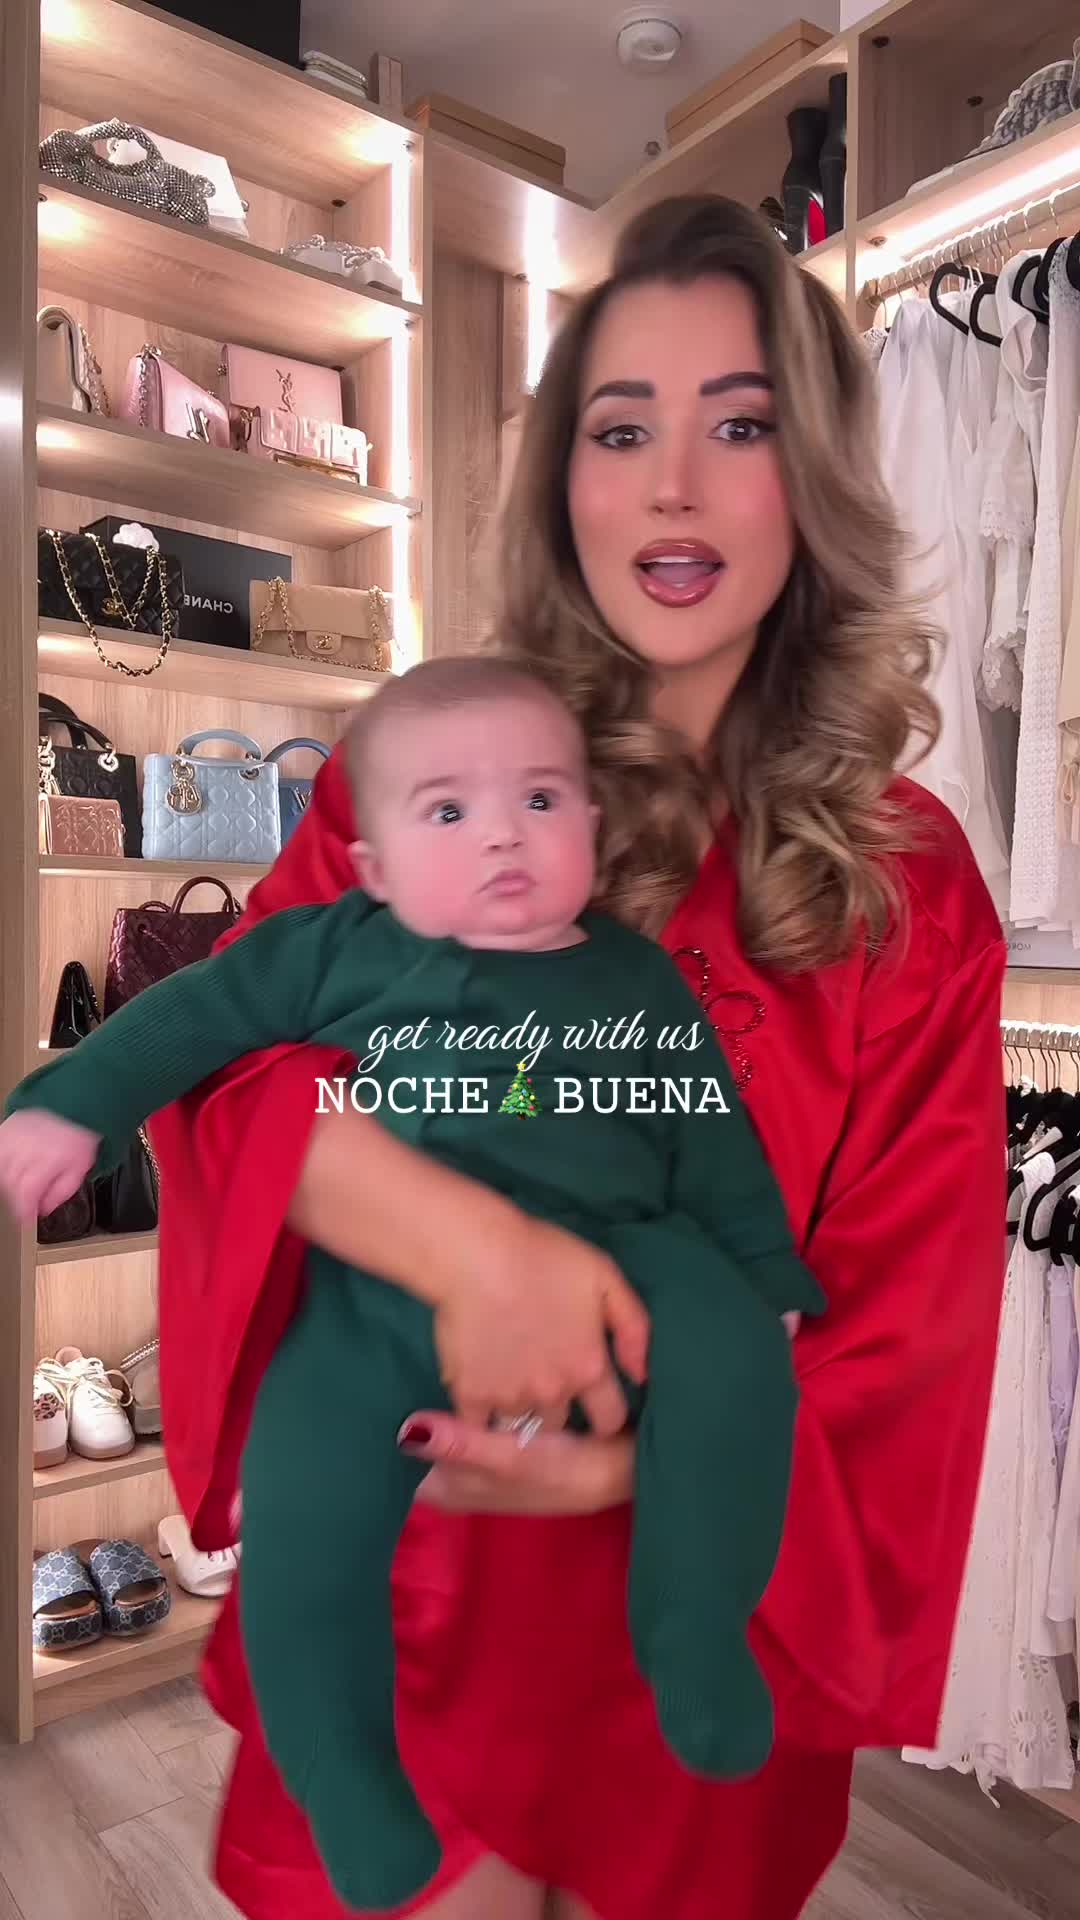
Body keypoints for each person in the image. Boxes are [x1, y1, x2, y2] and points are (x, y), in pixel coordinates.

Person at [90, 194, 1010, 1919]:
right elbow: (225, 1063)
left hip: (713, 1589)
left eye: (741, 426)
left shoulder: (912, 883)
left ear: (814, 477)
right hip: (418, 1584)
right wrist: (460, 1243)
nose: (674, 488)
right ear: (564, 484)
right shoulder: (425, 772)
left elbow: (912, 1321)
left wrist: (651, 1464)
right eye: (621, 430)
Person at [2, 658, 822, 1911]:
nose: (502, 832)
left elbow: (713, 1138)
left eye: (539, 799)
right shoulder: (337, 947)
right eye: (449, 809)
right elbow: (188, 1019)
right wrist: (75, 1103)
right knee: (305, 1504)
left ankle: (695, 1626)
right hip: (377, 1307)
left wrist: (756, 1274)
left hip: (628, 1257)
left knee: (740, 1353)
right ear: (374, 865)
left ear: (591, 827)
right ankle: (339, 1767)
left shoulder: (638, 980)